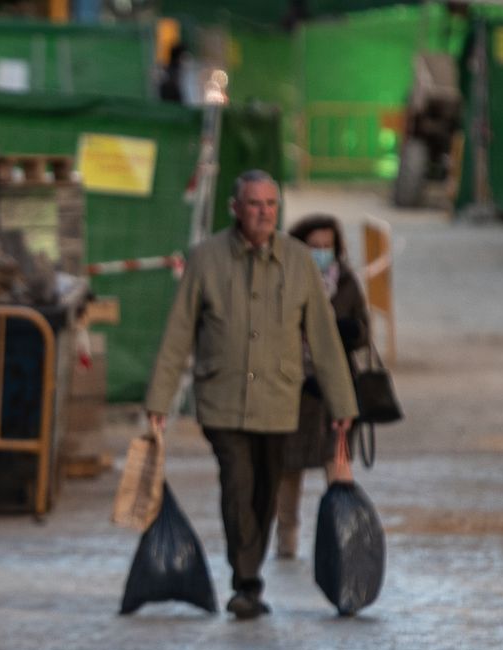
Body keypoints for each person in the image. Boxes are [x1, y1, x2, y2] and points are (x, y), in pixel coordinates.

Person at [144, 170, 358, 620]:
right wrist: (159, 401)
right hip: (222, 398)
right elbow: (178, 332)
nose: (264, 213)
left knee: (266, 491)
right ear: (235, 209)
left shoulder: (298, 261)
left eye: (271, 204)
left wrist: (342, 405)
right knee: (237, 484)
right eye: (255, 204)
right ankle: (246, 582)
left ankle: (248, 570)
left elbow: (323, 338)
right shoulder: (206, 259)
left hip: (279, 402)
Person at [275, 213, 372, 559]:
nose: (321, 252)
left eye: (326, 246)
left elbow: (363, 331)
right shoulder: (284, 280)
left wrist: (346, 330)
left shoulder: (345, 281)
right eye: (314, 246)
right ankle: (286, 541)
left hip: (336, 391)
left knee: (339, 463)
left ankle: (343, 539)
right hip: (296, 392)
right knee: (289, 470)